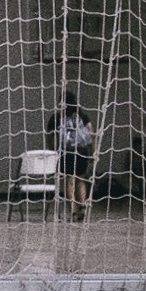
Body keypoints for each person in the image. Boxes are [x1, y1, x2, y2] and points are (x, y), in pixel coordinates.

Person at [48, 89, 95, 222]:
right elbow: (91, 134)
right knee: (81, 179)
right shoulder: (82, 116)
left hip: (66, 152)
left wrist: (53, 151)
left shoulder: (56, 118)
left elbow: (50, 136)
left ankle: (73, 211)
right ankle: (83, 205)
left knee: (69, 181)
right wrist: (93, 152)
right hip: (82, 151)